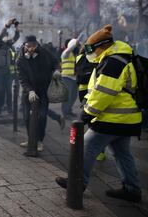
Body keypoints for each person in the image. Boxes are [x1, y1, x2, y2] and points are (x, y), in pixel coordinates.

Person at [56, 25, 142, 203]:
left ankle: (77, 183)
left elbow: (104, 92)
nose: (89, 53)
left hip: (113, 117)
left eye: (91, 49)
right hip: (125, 118)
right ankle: (132, 189)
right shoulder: (115, 57)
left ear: (102, 46)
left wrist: (87, 114)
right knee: (122, 153)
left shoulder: (113, 61)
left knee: (86, 145)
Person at [17, 35, 60, 152]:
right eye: (28, 46)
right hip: (28, 92)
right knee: (26, 117)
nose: (31, 49)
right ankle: (31, 139)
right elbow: (22, 78)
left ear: (36, 45)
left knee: (42, 116)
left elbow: (55, 62)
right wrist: (29, 90)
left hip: (43, 90)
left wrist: (56, 70)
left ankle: (40, 140)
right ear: (24, 46)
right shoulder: (20, 59)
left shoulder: (45, 53)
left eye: (33, 46)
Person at [0, 18, 20, 115]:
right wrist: (7, 25)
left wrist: (17, 28)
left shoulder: (8, 45)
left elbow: (16, 37)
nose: (7, 37)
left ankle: (10, 109)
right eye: (5, 36)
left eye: (7, 36)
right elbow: (0, 35)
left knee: (9, 91)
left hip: (7, 71)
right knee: (0, 90)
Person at [61, 37, 81, 118]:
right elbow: (69, 49)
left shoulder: (75, 54)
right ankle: (65, 113)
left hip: (74, 77)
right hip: (66, 77)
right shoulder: (66, 53)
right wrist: (73, 43)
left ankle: (69, 110)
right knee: (67, 96)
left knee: (73, 96)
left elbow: (88, 52)